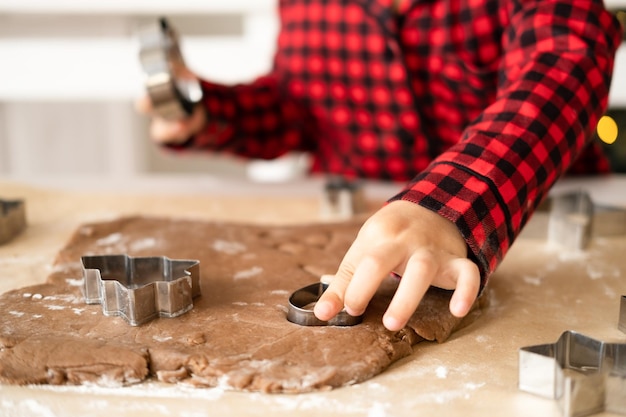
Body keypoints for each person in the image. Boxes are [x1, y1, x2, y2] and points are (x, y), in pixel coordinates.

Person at [136, 0, 623, 332]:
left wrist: (445, 206)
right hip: (350, 235)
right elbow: (299, 106)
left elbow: (564, 64)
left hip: (541, 227)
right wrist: (211, 113)